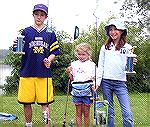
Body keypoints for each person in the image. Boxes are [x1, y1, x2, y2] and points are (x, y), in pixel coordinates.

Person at [13, 3, 60, 127]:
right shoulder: (26, 31)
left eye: (42, 15)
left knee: (45, 103)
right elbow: (19, 49)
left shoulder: (50, 33)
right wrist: (15, 48)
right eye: (37, 14)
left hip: (44, 73)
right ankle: (28, 125)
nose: (39, 17)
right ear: (33, 15)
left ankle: (46, 125)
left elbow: (54, 51)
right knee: (26, 103)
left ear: (46, 17)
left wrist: (49, 59)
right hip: (27, 72)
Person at [97, 19, 136, 127]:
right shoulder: (104, 47)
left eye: (115, 29)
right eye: (110, 30)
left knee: (127, 112)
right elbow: (101, 65)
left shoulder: (128, 47)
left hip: (120, 83)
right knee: (109, 112)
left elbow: (128, 66)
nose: (113, 32)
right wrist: (97, 82)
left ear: (122, 31)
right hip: (106, 82)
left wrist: (132, 63)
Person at [66, 43, 99, 127]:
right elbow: (72, 78)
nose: (81, 56)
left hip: (88, 91)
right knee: (78, 112)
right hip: (76, 91)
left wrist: (95, 86)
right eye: (79, 54)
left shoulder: (92, 65)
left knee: (86, 113)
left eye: (83, 54)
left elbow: (96, 78)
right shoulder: (73, 64)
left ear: (88, 54)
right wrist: (68, 72)